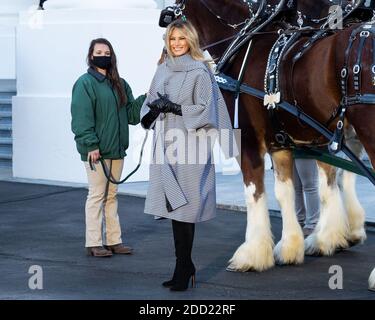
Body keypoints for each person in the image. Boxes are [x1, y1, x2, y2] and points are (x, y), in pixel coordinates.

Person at [140, 20, 236, 291]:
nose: (177, 43)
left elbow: (209, 109)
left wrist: (176, 107)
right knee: (173, 206)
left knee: (186, 208)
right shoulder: (161, 69)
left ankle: (183, 267)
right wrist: (155, 110)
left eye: (182, 38)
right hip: (167, 144)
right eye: (172, 39)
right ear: (167, 41)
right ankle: (183, 265)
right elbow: (148, 106)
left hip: (193, 145)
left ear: (190, 40)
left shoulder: (200, 71)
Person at [71, 38, 146, 257]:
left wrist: (147, 97)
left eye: (107, 52)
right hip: (96, 152)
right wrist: (91, 145)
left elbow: (132, 115)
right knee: (96, 195)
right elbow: (81, 118)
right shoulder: (85, 83)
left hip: (116, 151)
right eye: (98, 52)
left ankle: (114, 241)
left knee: (111, 195)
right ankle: (93, 243)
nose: (103, 55)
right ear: (91, 56)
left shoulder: (120, 84)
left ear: (111, 56)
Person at [293, 158, 320, 237]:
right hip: (288, 148)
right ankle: (299, 220)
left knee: (309, 185)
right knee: (295, 186)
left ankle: (313, 224)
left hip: (304, 148)